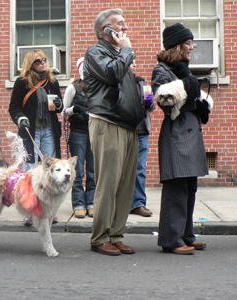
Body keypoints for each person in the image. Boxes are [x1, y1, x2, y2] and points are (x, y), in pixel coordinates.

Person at [83, 8, 144, 256]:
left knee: (125, 185)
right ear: (105, 30)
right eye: (119, 24)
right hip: (107, 122)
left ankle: (116, 234)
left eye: (125, 23)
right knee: (108, 183)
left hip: (129, 126)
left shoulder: (119, 54)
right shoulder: (96, 51)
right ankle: (100, 237)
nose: (124, 28)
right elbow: (112, 74)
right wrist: (127, 50)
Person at [151, 23, 212, 255]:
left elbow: (192, 95)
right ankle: (171, 239)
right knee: (176, 189)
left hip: (190, 133)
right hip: (176, 134)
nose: (192, 47)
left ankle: (186, 235)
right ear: (176, 45)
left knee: (189, 187)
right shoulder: (162, 70)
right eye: (188, 43)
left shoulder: (182, 69)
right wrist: (186, 84)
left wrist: (200, 105)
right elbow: (165, 102)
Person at [9, 49, 63, 226]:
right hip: (30, 132)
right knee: (30, 171)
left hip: (49, 130)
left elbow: (59, 106)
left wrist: (59, 105)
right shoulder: (21, 82)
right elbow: (14, 107)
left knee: (50, 171)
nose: (42, 62)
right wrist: (20, 118)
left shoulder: (52, 81)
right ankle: (30, 211)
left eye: (44, 59)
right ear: (30, 64)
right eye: (38, 60)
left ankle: (49, 211)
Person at [63, 57, 95, 219]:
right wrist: (74, 110)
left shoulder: (97, 87)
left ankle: (91, 203)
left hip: (94, 132)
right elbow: (63, 111)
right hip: (78, 133)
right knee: (77, 171)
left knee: (93, 171)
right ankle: (78, 204)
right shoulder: (72, 87)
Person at [129, 60, 155, 217]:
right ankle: (123, 204)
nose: (134, 65)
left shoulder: (142, 83)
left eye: (135, 63)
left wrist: (150, 102)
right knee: (124, 170)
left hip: (142, 131)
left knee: (140, 169)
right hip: (125, 131)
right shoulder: (117, 83)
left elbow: (150, 107)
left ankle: (138, 203)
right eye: (131, 63)